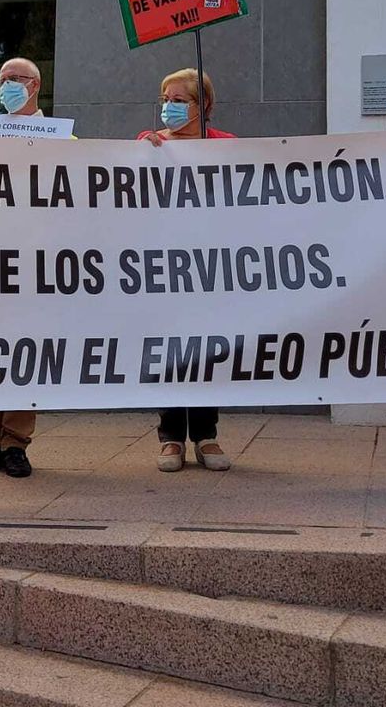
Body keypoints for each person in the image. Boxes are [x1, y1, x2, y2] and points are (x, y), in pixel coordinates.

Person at [140, 67, 235, 472]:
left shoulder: (227, 146)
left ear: (205, 106)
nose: (169, 107)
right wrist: (150, 149)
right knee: (170, 350)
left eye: (179, 101)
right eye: (165, 100)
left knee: (208, 348)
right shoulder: (148, 145)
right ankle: (171, 438)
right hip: (163, 266)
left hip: (210, 267)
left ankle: (206, 435)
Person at [0, 56, 48, 479]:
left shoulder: (62, 138)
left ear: (34, 85)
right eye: (1, 81)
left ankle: (16, 442)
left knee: (26, 351)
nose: (5, 87)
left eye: (14, 80)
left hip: (37, 260)